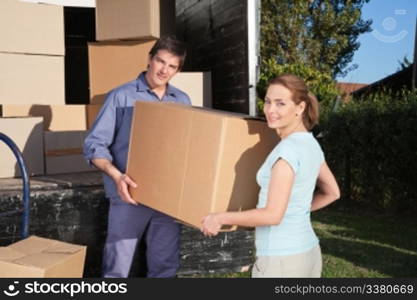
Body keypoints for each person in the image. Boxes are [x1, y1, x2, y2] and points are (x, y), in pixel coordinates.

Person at [201, 74, 340, 278]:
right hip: (308, 254)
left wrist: (220, 217)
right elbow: (333, 192)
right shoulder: (310, 144)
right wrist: (295, 211)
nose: (270, 110)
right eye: (267, 101)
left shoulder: (286, 152)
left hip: (281, 262)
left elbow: (272, 215)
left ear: (300, 108)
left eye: (280, 103)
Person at [83, 36, 191, 278]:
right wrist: (116, 176)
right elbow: (94, 145)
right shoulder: (120, 97)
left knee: (165, 268)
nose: (164, 70)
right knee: (117, 271)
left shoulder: (182, 101)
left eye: (172, 66)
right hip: (129, 195)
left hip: (167, 199)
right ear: (149, 60)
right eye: (160, 61)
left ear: (178, 70)